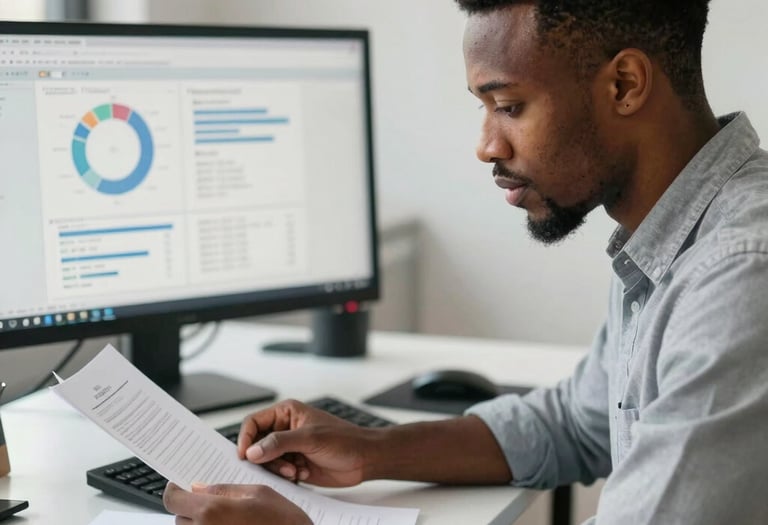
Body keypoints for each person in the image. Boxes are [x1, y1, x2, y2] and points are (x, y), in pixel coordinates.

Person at [164, 1, 768, 523]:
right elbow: (577, 422)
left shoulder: (740, 275)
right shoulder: (671, 236)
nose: (486, 145)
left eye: (508, 106)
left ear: (625, 85)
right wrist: (372, 450)